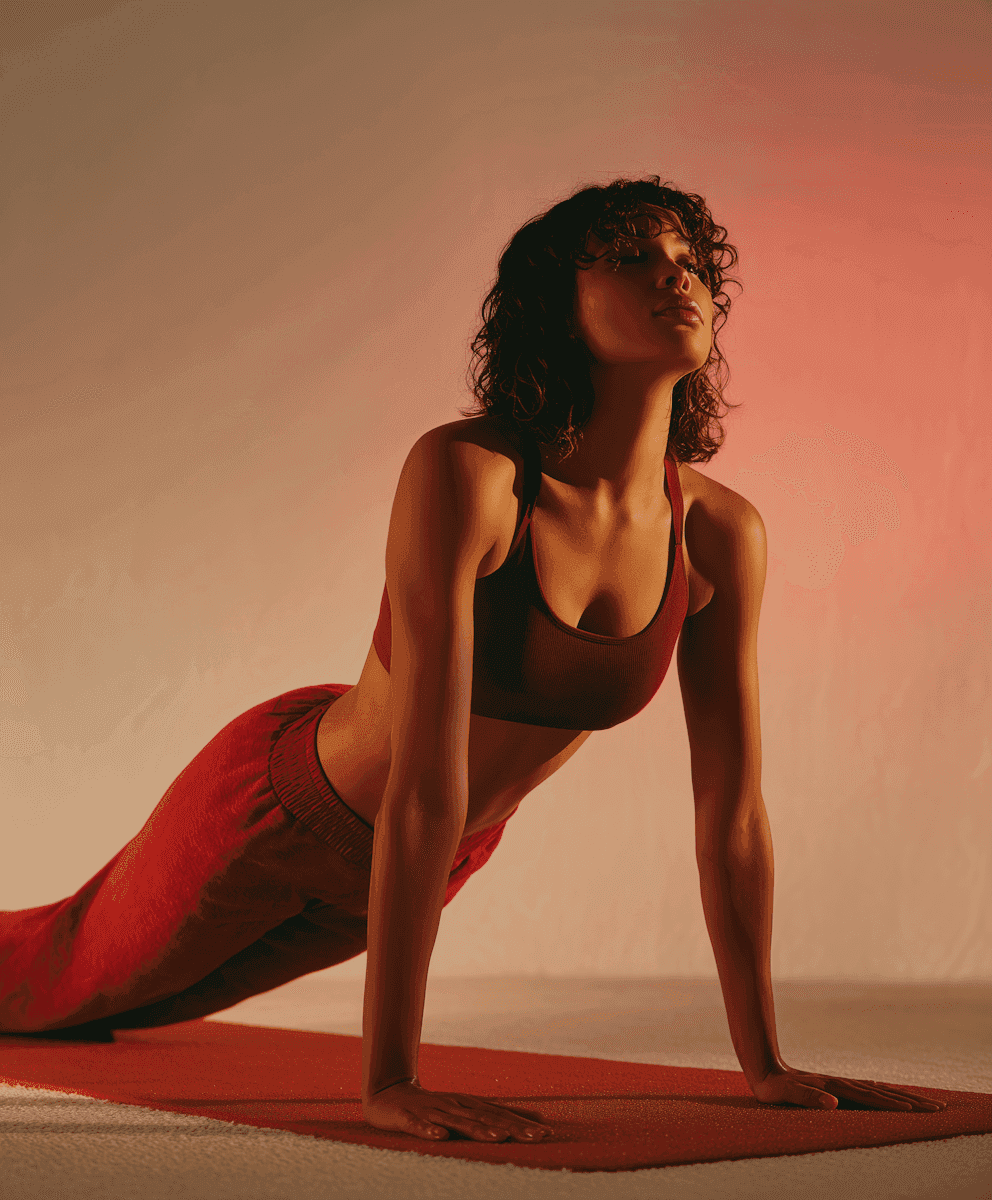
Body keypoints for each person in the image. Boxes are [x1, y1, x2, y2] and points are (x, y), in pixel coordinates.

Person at [0, 176, 944, 1142]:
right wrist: (391, 1084)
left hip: (435, 859)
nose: (678, 280)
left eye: (691, 264)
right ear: (556, 309)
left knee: (122, 1011)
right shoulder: (473, 477)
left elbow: (733, 808)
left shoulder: (719, 533)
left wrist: (766, 1066)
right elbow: (422, 781)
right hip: (285, 811)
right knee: (44, 981)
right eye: (632, 260)